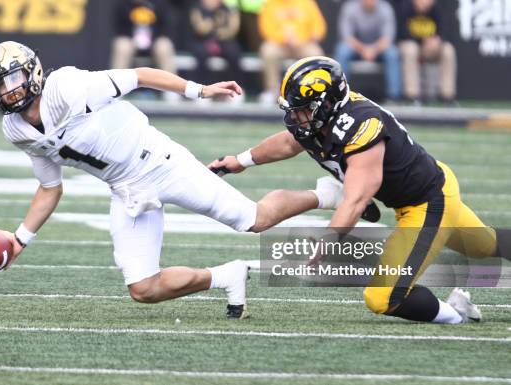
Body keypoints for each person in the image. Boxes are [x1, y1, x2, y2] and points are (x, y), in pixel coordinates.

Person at [0, 41, 342, 319]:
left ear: (34, 71)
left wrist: (198, 90)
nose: (8, 90)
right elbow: (49, 187)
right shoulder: (16, 129)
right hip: (126, 191)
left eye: (12, 79)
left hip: (160, 161)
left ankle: (323, 194)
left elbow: (139, 76)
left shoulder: (67, 87)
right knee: (143, 288)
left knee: (254, 220)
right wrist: (20, 239)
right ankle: (225, 277)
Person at [209, 56, 511, 324]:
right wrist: (242, 160)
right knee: (484, 245)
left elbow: (357, 198)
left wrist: (330, 238)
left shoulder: (361, 125)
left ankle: (456, 315)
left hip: (428, 201)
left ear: (327, 104)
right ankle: (458, 309)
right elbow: (289, 142)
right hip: (425, 189)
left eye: (303, 110)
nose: (295, 117)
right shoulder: (321, 121)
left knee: (383, 297)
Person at [257, 0, 326, 105]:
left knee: (317, 53)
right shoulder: (270, 4)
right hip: (279, 44)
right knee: (268, 51)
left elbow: (319, 26)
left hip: (303, 44)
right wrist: (284, 38)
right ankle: (272, 91)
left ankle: (313, 91)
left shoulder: (307, 2)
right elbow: (265, 29)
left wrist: (306, 37)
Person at [110, 0, 178, 101]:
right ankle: (116, 89)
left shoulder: (159, 4)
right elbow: (119, 28)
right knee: (122, 45)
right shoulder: (123, 4)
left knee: (164, 45)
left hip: (154, 41)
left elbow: (165, 28)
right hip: (131, 40)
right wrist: (136, 38)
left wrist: (150, 39)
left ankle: (172, 90)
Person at [335, 0, 402, 102]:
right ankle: (340, 93)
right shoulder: (350, 7)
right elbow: (347, 37)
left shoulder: (385, 8)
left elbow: (387, 38)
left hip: (379, 48)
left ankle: (393, 96)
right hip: (356, 48)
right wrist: (364, 50)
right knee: (342, 50)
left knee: (392, 53)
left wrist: (373, 50)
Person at [397, 0, 457, 105]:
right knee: (411, 49)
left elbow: (446, 30)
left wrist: (438, 40)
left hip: (430, 47)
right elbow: (401, 33)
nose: (424, 2)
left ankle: (447, 96)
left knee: (448, 50)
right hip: (411, 44)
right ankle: (412, 96)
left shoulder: (437, 8)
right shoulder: (405, 7)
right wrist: (422, 39)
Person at [188, 0, 244, 102]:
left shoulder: (227, 9)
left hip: (223, 41)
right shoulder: (197, 7)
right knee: (201, 53)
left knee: (233, 52)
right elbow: (200, 28)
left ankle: (236, 90)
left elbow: (232, 29)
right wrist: (214, 24)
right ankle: (201, 91)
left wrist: (219, 31)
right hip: (203, 41)